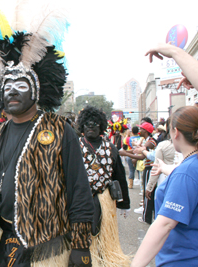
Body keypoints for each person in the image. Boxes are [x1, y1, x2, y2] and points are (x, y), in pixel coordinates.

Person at [0, 3, 94, 266]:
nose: (11, 91)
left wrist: (80, 245)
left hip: (46, 245)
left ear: (36, 90)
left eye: (21, 84)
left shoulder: (59, 129)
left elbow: (79, 190)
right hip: (2, 239)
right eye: (7, 85)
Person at [132, 106, 198, 266]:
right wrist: (166, 168)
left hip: (183, 259)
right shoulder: (196, 164)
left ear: (175, 132)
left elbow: (165, 224)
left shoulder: (186, 173)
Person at [77, 106, 130, 266]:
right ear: (82, 127)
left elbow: (120, 177)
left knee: (104, 233)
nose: (91, 127)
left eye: (94, 125)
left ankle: (105, 258)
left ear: (101, 126)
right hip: (82, 199)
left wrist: (124, 204)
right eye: (87, 125)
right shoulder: (74, 147)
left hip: (105, 199)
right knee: (84, 234)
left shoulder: (111, 148)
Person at [120, 122, 157, 224]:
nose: (139, 131)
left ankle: (146, 217)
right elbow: (136, 150)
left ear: (146, 131)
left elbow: (142, 155)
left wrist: (126, 153)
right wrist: (126, 152)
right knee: (147, 191)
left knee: (148, 192)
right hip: (148, 167)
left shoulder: (151, 142)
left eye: (141, 129)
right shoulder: (147, 140)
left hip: (150, 168)